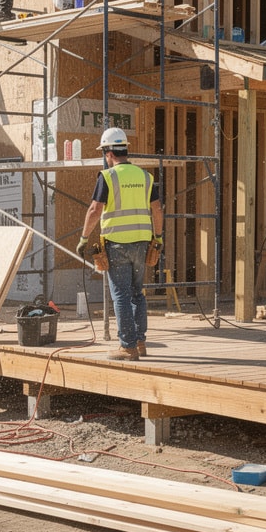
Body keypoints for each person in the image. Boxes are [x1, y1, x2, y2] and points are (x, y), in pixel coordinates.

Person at [77, 127, 164, 361]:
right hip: (142, 243)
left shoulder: (108, 176)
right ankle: (140, 342)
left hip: (117, 244)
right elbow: (157, 209)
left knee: (121, 296)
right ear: (125, 150)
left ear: (108, 153)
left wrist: (84, 238)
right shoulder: (146, 176)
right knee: (138, 293)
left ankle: (127, 346)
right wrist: (159, 237)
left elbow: (95, 209)